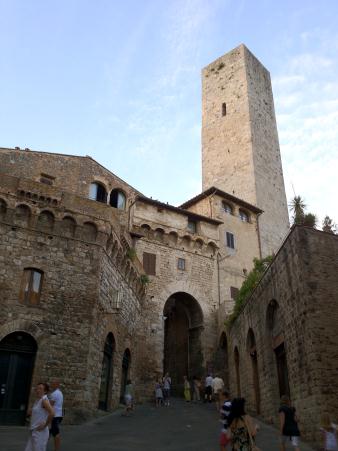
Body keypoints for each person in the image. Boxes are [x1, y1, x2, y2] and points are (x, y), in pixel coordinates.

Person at [25, 382, 54, 451]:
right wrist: (31, 412)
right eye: (37, 389)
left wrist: (45, 425)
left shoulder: (44, 400)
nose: (38, 390)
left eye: (40, 389)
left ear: (45, 391)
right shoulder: (38, 400)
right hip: (34, 431)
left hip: (40, 433)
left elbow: (52, 413)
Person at [49, 380, 63, 451]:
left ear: (57, 385)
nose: (52, 385)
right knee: (48, 432)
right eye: (52, 384)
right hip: (59, 415)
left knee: (55, 433)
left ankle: (57, 449)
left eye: (53, 384)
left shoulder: (54, 394)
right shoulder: (60, 393)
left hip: (54, 416)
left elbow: (50, 405)